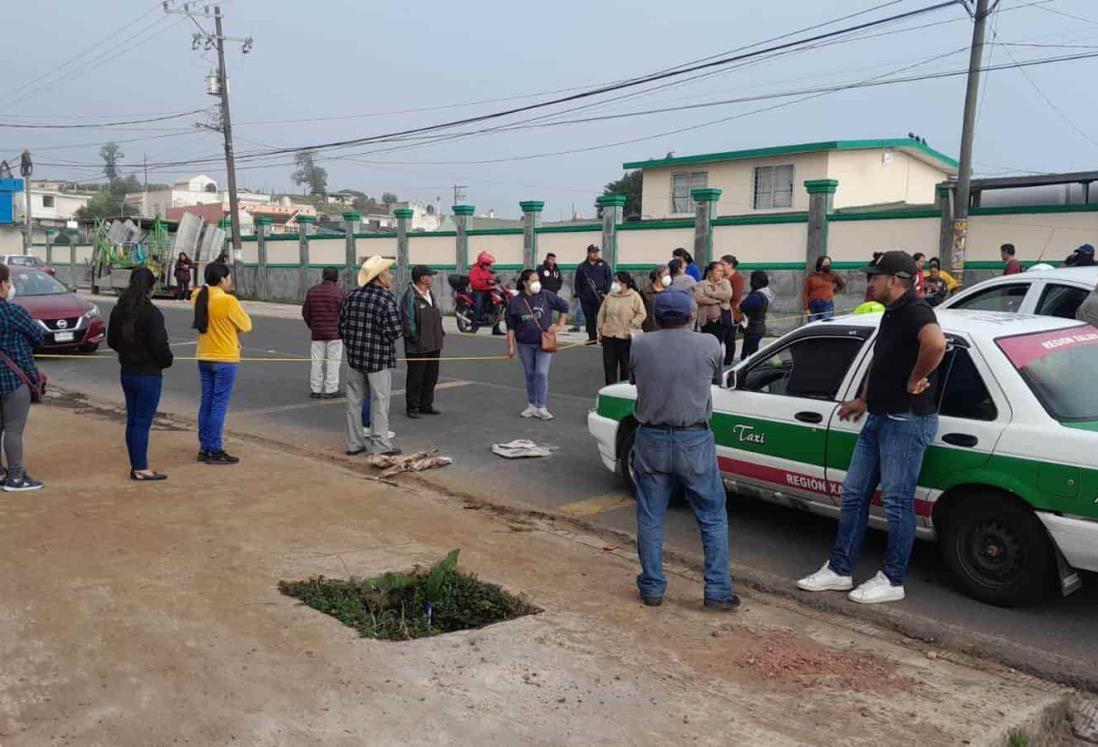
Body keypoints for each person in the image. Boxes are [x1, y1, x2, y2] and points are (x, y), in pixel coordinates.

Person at [797, 250, 946, 605]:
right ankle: (839, 570)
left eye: (873, 277)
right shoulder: (892, 313)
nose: (869, 283)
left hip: (905, 421)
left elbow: (936, 344)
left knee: (896, 502)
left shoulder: (916, 311)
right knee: (853, 493)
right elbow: (881, 361)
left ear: (894, 280)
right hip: (879, 416)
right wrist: (864, 399)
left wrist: (915, 379)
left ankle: (893, 579)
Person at [629, 290, 739, 611]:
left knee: (650, 516)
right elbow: (715, 379)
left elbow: (637, 381)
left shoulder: (640, 344)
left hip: (650, 439)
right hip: (694, 440)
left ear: (656, 316)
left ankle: (652, 588)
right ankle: (717, 591)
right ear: (691, 315)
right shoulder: (708, 344)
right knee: (712, 516)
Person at [108, 267, 173, 481]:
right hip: (149, 374)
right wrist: (166, 361)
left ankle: (136, 463)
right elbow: (159, 345)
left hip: (127, 371)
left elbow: (111, 340)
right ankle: (140, 467)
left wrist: (128, 353)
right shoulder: (151, 313)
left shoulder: (119, 310)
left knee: (133, 420)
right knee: (142, 422)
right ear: (152, 287)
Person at [340, 256, 403, 456]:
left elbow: (341, 326)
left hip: (355, 358)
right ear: (380, 277)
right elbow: (395, 330)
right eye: (388, 273)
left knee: (354, 402)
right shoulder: (386, 299)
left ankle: (353, 443)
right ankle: (381, 445)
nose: (391, 276)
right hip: (378, 360)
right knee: (380, 402)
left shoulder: (351, 296)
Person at [193, 262, 252, 465]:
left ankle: (205, 446)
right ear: (222, 280)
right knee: (219, 404)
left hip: (204, 355)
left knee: (207, 402)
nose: (230, 280)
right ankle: (215, 448)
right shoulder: (228, 301)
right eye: (228, 277)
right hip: (225, 357)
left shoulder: (199, 296)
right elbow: (246, 324)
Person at [0, 263, 44, 491]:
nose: (10, 286)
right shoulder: (12, 312)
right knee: (13, 429)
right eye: (8, 282)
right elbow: (39, 336)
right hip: (13, 380)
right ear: (1, 286)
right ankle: (16, 477)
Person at [506, 268, 569, 419]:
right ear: (525, 282)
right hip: (524, 344)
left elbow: (564, 307)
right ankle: (532, 404)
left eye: (537, 280)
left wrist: (559, 325)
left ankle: (542, 406)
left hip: (543, 343)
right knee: (530, 374)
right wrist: (511, 346)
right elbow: (510, 325)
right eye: (533, 280)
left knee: (541, 373)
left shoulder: (546, 295)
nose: (537, 283)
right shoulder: (515, 302)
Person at [401, 265, 445, 419]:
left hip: (433, 343)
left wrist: (440, 333)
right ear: (422, 278)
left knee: (431, 376)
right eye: (429, 276)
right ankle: (412, 406)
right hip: (418, 346)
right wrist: (415, 338)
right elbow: (408, 321)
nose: (432, 278)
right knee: (416, 378)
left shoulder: (429, 294)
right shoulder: (410, 296)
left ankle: (426, 404)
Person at [301, 266, 346, 399]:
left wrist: (312, 326)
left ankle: (315, 389)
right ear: (336, 278)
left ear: (323, 276)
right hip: (335, 334)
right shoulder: (340, 293)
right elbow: (344, 315)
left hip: (317, 333)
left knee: (316, 362)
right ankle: (331, 389)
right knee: (333, 361)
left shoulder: (312, 291)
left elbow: (306, 313)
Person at [597, 271, 646, 385]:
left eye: (616, 281)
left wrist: (632, 323)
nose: (614, 284)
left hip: (625, 336)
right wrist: (600, 330)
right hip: (609, 335)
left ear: (624, 283)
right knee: (609, 366)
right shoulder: (609, 296)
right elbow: (601, 314)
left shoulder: (634, 296)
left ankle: (624, 389)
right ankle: (610, 390)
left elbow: (642, 314)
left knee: (626, 366)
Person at [574, 244, 611, 343]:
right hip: (586, 297)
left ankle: (603, 337)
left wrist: (606, 292)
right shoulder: (582, 266)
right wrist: (580, 294)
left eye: (597, 252)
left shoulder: (603, 264)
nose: (596, 254)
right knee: (589, 318)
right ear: (589, 253)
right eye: (593, 252)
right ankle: (592, 337)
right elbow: (577, 282)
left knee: (602, 318)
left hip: (600, 296)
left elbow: (609, 279)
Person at [694, 261, 732, 344]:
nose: (721, 273)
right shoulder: (701, 284)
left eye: (722, 271)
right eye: (718, 271)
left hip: (721, 320)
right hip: (706, 320)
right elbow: (699, 298)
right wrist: (716, 301)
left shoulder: (725, 282)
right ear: (711, 272)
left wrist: (710, 294)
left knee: (718, 343)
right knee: (706, 344)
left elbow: (727, 295)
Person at [469, 250, 503, 335]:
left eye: (489, 264)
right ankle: (474, 326)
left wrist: (495, 280)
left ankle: (496, 328)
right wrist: (486, 282)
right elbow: (474, 283)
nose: (488, 266)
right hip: (478, 291)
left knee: (496, 306)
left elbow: (490, 280)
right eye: (487, 264)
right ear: (481, 263)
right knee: (478, 306)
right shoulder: (474, 270)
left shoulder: (486, 271)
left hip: (488, 290)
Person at [739, 270, 771, 360]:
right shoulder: (764, 293)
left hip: (754, 327)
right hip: (756, 326)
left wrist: (740, 306)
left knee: (752, 354)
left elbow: (742, 306)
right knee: (747, 351)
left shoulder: (757, 296)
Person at [802, 256, 846, 321]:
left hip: (827, 304)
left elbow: (841, 284)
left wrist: (833, 292)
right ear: (820, 263)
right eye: (825, 263)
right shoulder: (812, 276)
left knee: (826, 324)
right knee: (813, 325)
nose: (827, 265)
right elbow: (805, 293)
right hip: (813, 305)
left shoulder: (832, 275)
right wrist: (806, 308)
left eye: (829, 263)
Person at [720, 254, 744, 365]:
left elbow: (736, 297)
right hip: (720, 311)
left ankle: (728, 361)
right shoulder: (721, 276)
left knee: (730, 338)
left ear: (730, 265)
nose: (721, 267)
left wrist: (720, 296)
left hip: (732, 312)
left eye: (723, 264)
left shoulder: (737, 278)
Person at [640, 266, 670, 333]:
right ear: (657, 276)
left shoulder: (670, 291)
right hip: (650, 327)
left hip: (666, 328)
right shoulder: (645, 291)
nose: (668, 277)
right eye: (666, 275)